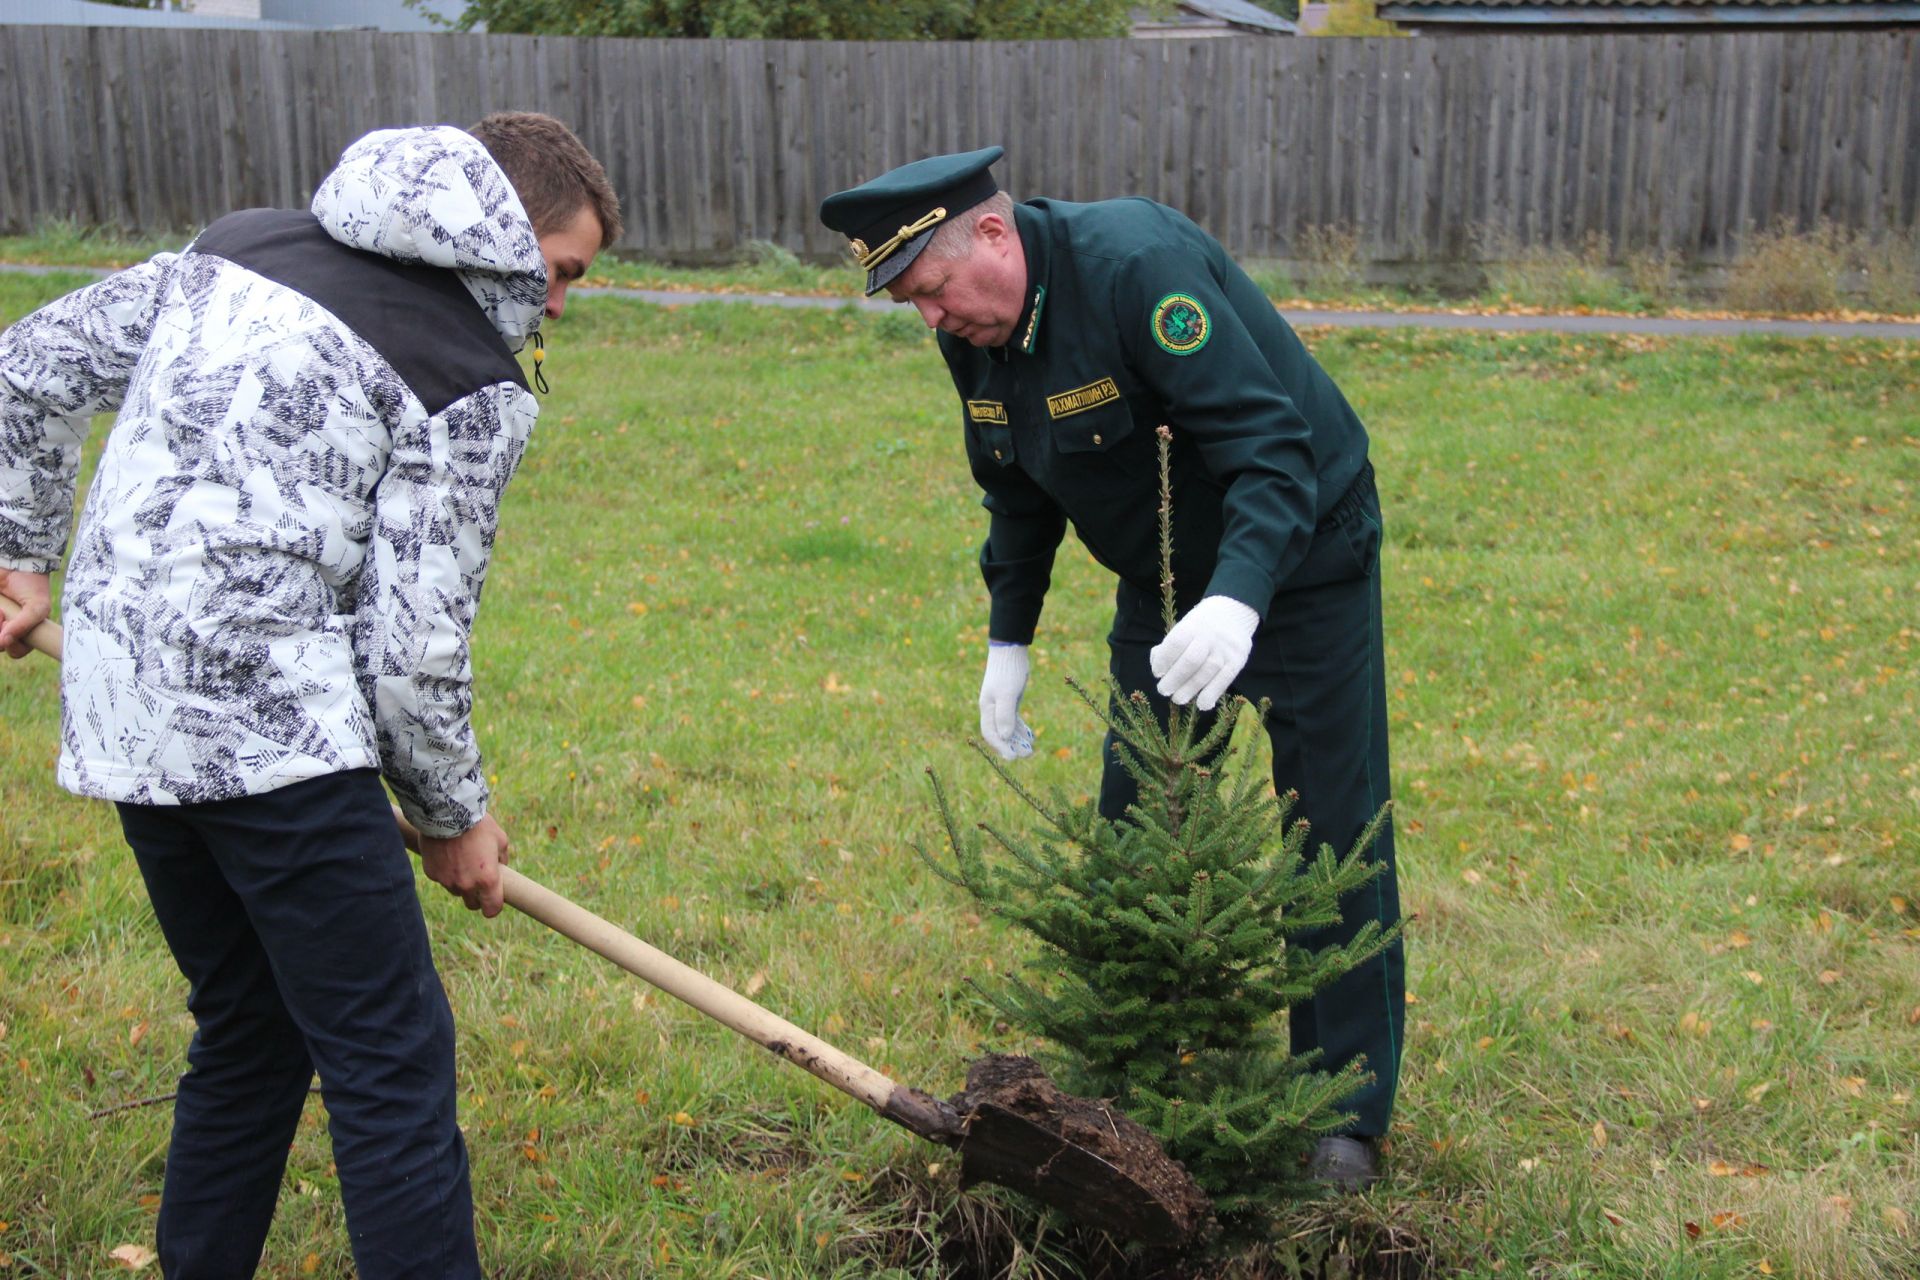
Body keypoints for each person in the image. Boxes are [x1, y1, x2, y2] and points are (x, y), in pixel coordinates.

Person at [0, 112, 619, 1276]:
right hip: (271, 728)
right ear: (496, 229)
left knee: (252, 1027)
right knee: (391, 1053)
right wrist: (452, 816)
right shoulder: (470, 375)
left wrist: (21, 553)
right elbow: (416, 644)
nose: (560, 306)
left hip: (126, 706)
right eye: (561, 270)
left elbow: (26, 363)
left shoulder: (235, 248)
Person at [820, 148, 1403, 1189]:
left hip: (1306, 550)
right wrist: (1011, 638)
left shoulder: (1139, 269)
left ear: (993, 236)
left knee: (1330, 822)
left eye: (934, 291)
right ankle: (1139, 1080)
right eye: (912, 303)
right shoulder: (977, 327)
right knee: (1139, 823)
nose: (932, 321)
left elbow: (1273, 445)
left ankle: (1342, 1116)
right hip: (1166, 575)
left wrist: (1243, 593)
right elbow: (1014, 479)